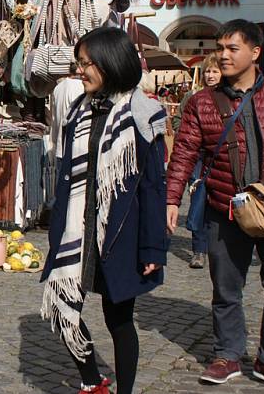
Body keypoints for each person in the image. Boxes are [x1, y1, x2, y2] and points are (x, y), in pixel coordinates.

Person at [166, 19, 264, 392]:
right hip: (225, 208)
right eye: (220, 48)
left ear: (255, 53)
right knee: (226, 288)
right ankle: (227, 355)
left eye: (232, 48)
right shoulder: (202, 102)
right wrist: (172, 198)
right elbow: (184, 152)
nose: (223, 55)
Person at [40, 27, 169, 394]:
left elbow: (152, 189)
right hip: (77, 232)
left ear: (111, 62)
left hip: (118, 234)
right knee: (62, 307)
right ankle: (92, 380)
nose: (81, 71)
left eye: (87, 64)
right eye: (79, 64)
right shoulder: (79, 109)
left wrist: (153, 249)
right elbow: (66, 175)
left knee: (119, 320)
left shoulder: (142, 115)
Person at [174, 54, 222, 269]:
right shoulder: (193, 97)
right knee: (198, 202)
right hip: (197, 160)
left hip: (220, 158)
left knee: (219, 203)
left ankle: (222, 249)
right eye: (208, 72)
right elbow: (177, 121)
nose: (210, 75)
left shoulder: (230, 98)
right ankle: (199, 251)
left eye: (214, 71)